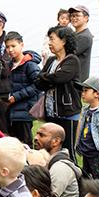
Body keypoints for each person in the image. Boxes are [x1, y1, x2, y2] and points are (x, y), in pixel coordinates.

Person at [35, 25, 81, 158]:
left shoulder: (72, 60)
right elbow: (38, 82)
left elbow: (60, 78)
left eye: (52, 39)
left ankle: (73, 176)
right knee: (49, 149)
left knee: (67, 151)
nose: (49, 43)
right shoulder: (50, 61)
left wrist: (46, 77)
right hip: (51, 113)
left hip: (67, 112)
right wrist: (49, 78)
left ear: (64, 41)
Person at [34, 123, 82, 197]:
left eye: (41, 135)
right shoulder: (46, 161)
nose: (35, 137)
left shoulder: (60, 168)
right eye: (36, 134)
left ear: (56, 141)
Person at [5, 32, 41, 146]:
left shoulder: (30, 65)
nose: (10, 50)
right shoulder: (9, 65)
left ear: (22, 45)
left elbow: (38, 85)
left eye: (13, 46)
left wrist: (16, 97)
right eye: (7, 47)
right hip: (12, 111)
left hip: (25, 111)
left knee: (26, 145)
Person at [67, 6, 93, 81]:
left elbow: (68, 54)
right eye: (72, 16)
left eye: (77, 15)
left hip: (77, 80)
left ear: (86, 18)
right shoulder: (75, 34)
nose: (74, 18)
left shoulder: (84, 36)